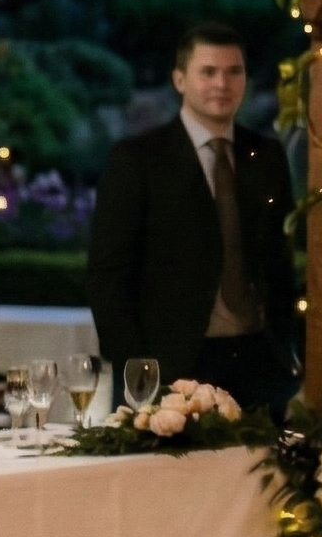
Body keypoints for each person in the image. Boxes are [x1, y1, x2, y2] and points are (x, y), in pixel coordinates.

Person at [87, 22, 298, 413]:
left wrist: (289, 350)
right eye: (208, 72)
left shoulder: (266, 157)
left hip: (260, 363)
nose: (222, 83)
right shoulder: (138, 160)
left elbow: (279, 264)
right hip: (172, 367)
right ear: (179, 79)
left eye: (234, 71)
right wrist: (138, 370)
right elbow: (107, 276)